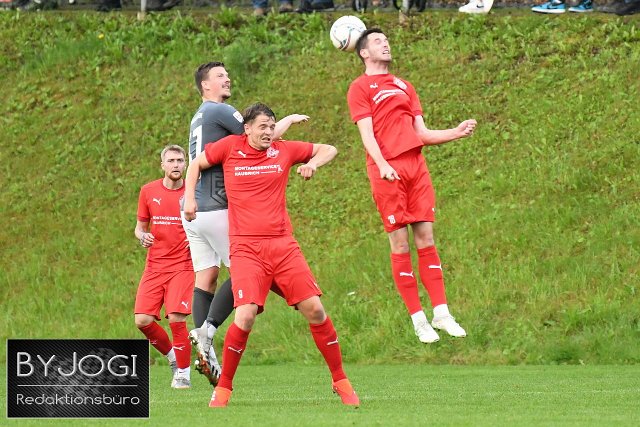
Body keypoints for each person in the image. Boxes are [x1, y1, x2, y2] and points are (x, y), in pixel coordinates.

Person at [184, 103, 359, 408]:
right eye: (262, 127)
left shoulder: (283, 151)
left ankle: (340, 380)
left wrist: (313, 164)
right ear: (247, 128)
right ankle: (223, 389)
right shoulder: (229, 147)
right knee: (245, 315)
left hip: (283, 247)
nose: (267, 132)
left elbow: (329, 149)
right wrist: (189, 199)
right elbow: (195, 165)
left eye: (271, 127)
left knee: (316, 310)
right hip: (246, 249)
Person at [347, 29, 476, 344]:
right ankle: (419, 320)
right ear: (364, 52)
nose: (385, 44)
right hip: (387, 170)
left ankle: (442, 314)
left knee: (426, 238)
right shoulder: (359, 87)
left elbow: (422, 133)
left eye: (386, 40)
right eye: (378, 41)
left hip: (416, 167)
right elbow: (367, 134)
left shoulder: (404, 85)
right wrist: (382, 164)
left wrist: (455, 132)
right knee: (400, 245)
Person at [184, 61, 309, 387]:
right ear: (205, 85)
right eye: (220, 76)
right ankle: (208, 331)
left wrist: (188, 198)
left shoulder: (198, 116)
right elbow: (260, 137)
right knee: (248, 267)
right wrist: (287, 121)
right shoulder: (221, 110)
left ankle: (206, 351)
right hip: (217, 206)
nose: (227, 79)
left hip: (195, 211)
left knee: (207, 278)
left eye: (227, 74)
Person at [134, 145, 193, 389]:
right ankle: (173, 357)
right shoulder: (148, 191)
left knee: (176, 317)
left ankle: (184, 374)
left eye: (180, 160)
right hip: (155, 265)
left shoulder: (193, 191)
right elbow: (140, 227)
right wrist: (142, 236)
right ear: (163, 165)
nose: (176, 164)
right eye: (171, 161)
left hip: (183, 265)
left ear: (186, 164)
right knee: (142, 320)